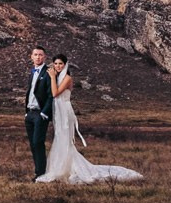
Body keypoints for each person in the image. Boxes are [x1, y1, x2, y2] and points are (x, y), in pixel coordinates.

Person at [36, 54, 142, 185]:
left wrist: (52, 77)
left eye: (60, 64)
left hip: (65, 110)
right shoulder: (58, 77)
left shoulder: (67, 78)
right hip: (58, 111)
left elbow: (55, 93)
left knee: (65, 138)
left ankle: (68, 167)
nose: (58, 66)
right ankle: (60, 167)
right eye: (56, 64)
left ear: (65, 65)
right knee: (59, 137)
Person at [23, 46, 54, 178]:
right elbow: (30, 92)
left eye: (40, 55)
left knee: (38, 143)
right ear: (31, 57)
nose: (38, 57)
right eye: (35, 55)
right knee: (32, 144)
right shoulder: (32, 72)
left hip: (40, 114)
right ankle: (38, 171)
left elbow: (51, 95)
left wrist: (44, 113)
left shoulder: (48, 73)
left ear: (44, 57)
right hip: (30, 113)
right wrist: (26, 112)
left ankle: (41, 173)